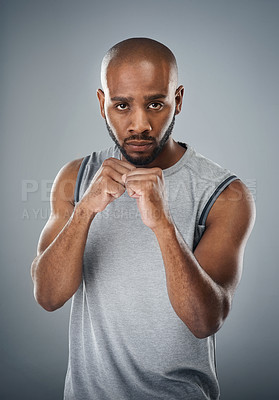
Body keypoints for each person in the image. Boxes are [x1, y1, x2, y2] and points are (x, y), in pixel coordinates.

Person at [31, 37, 255, 400]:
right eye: (122, 105)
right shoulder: (76, 177)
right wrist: (85, 209)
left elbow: (204, 321)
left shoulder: (226, 194)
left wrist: (163, 224)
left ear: (177, 100)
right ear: (103, 103)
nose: (141, 124)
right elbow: (48, 296)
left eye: (155, 104)